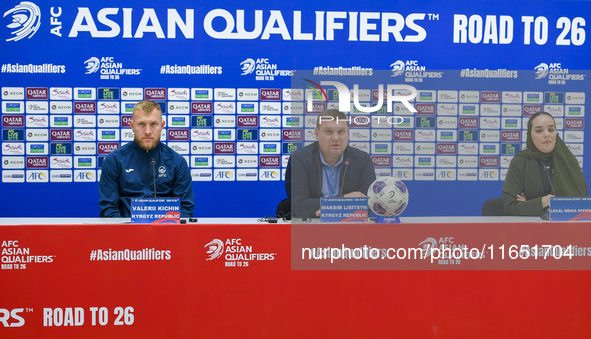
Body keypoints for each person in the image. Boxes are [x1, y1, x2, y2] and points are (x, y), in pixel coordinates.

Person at [99, 100, 194, 218]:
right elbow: (108, 210)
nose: (148, 131)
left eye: (154, 124)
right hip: (126, 233)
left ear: (162, 125)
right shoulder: (114, 160)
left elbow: (185, 209)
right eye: (141, 124)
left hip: (167, 232)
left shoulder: (177, 162)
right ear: (132, 126)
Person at [285, 109, 376, 218]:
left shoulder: (363, 160)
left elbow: (367, 207)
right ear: (317, 134)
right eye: (329, 131)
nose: (336, 138)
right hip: (310, 230)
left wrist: (327, 207)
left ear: (348, 133)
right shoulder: (299, 159)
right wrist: (344, 199)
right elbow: (299, 207)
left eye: (341, 131)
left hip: (350, 229)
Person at [502, 111, 587, 216]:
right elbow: (511, 208)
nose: (546, 134)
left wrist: (529, 205)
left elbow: (582, 205)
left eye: (551, 130)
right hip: (531, 229)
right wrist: (543, 202)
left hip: (566, 227)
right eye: (539, 131)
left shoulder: (568, 161)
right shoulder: (520, 162)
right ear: (530, 135)